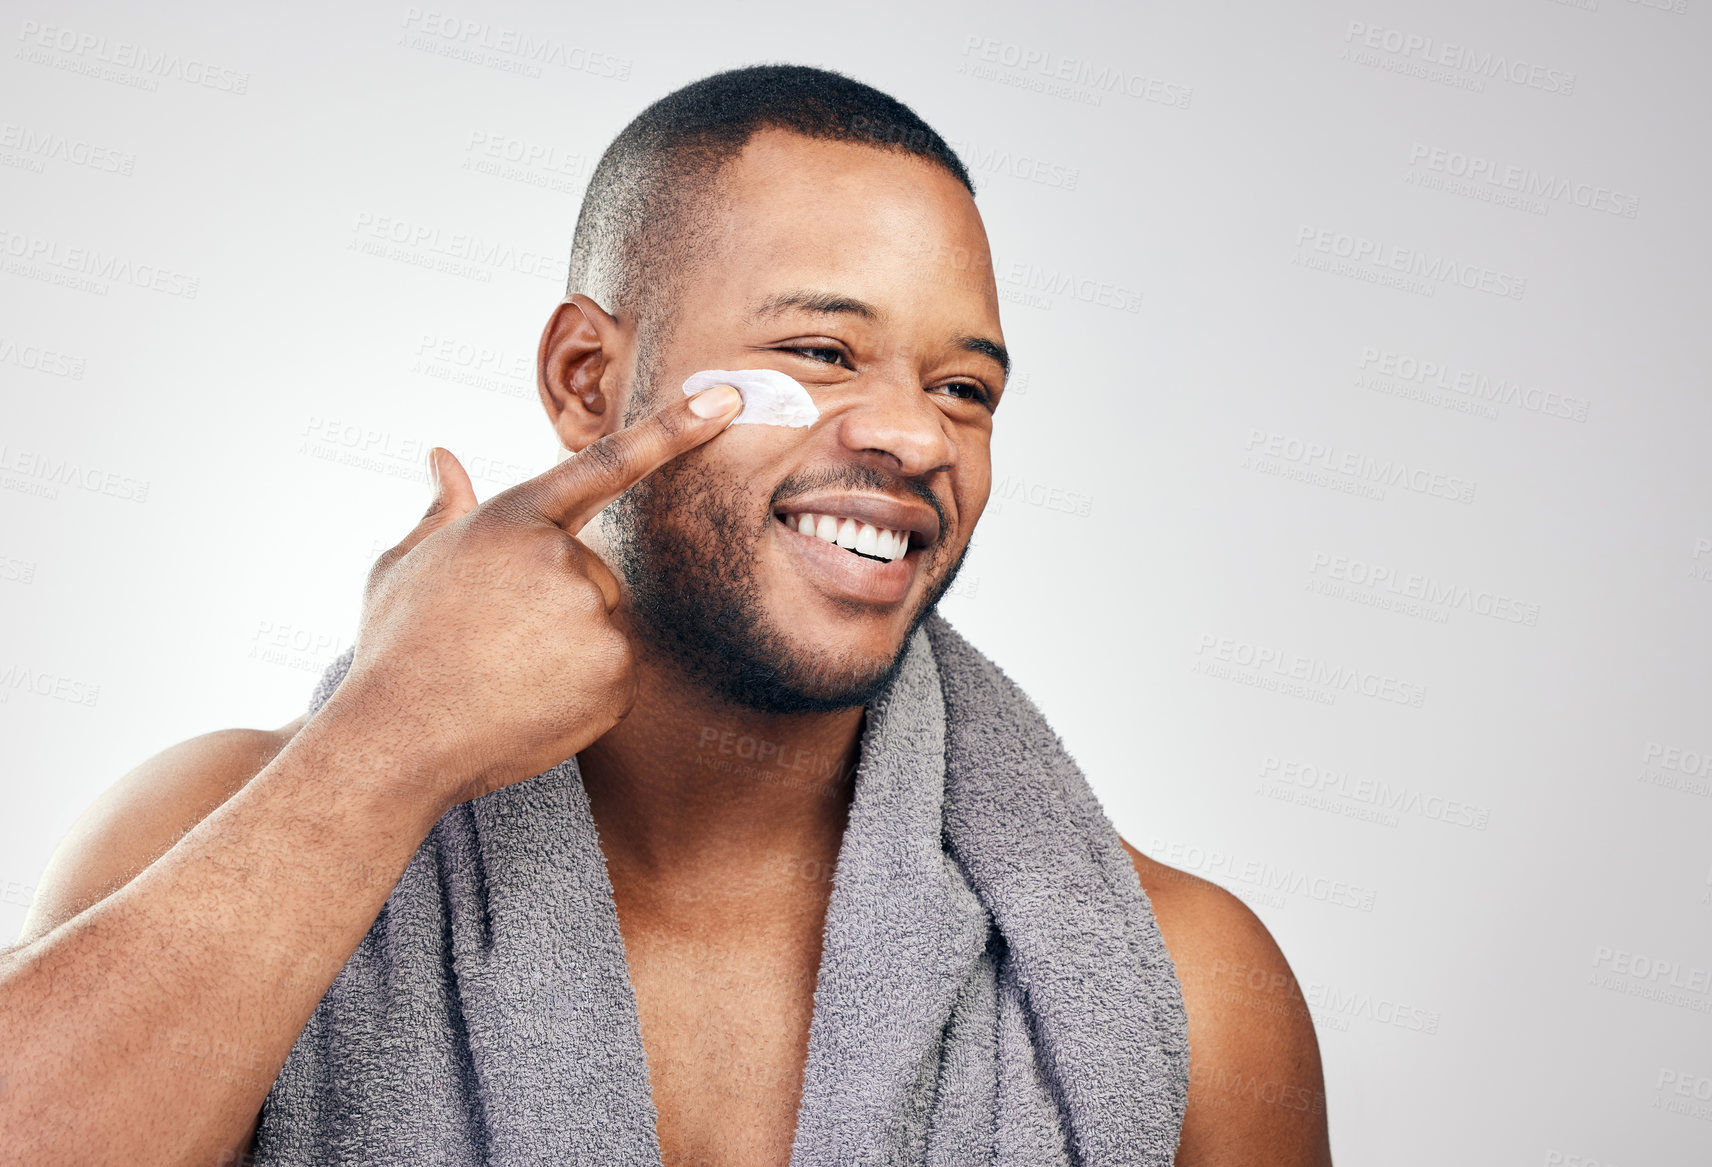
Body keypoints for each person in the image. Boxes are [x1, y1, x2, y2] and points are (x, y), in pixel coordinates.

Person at [0, 65, 1331, 1165]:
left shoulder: (1184, 986)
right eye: (821, 352)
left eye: (966, 388)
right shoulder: (207, 837)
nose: (915, 437)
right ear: (591, 378)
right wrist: (384, 742)